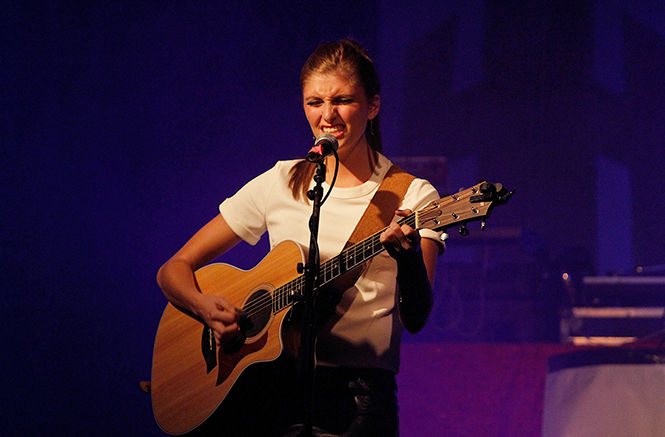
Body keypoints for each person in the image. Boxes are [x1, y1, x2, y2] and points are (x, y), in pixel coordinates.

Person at [156, 38, 444, 436]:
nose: (328, 116)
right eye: (314, 102)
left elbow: (417, 318)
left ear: (373, 106)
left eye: (342, 100)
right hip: (266, 393)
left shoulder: (411, 195)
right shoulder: (280, 182)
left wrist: (408, 258)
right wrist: (205, 309)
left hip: (357, 404)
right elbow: (174, 269)